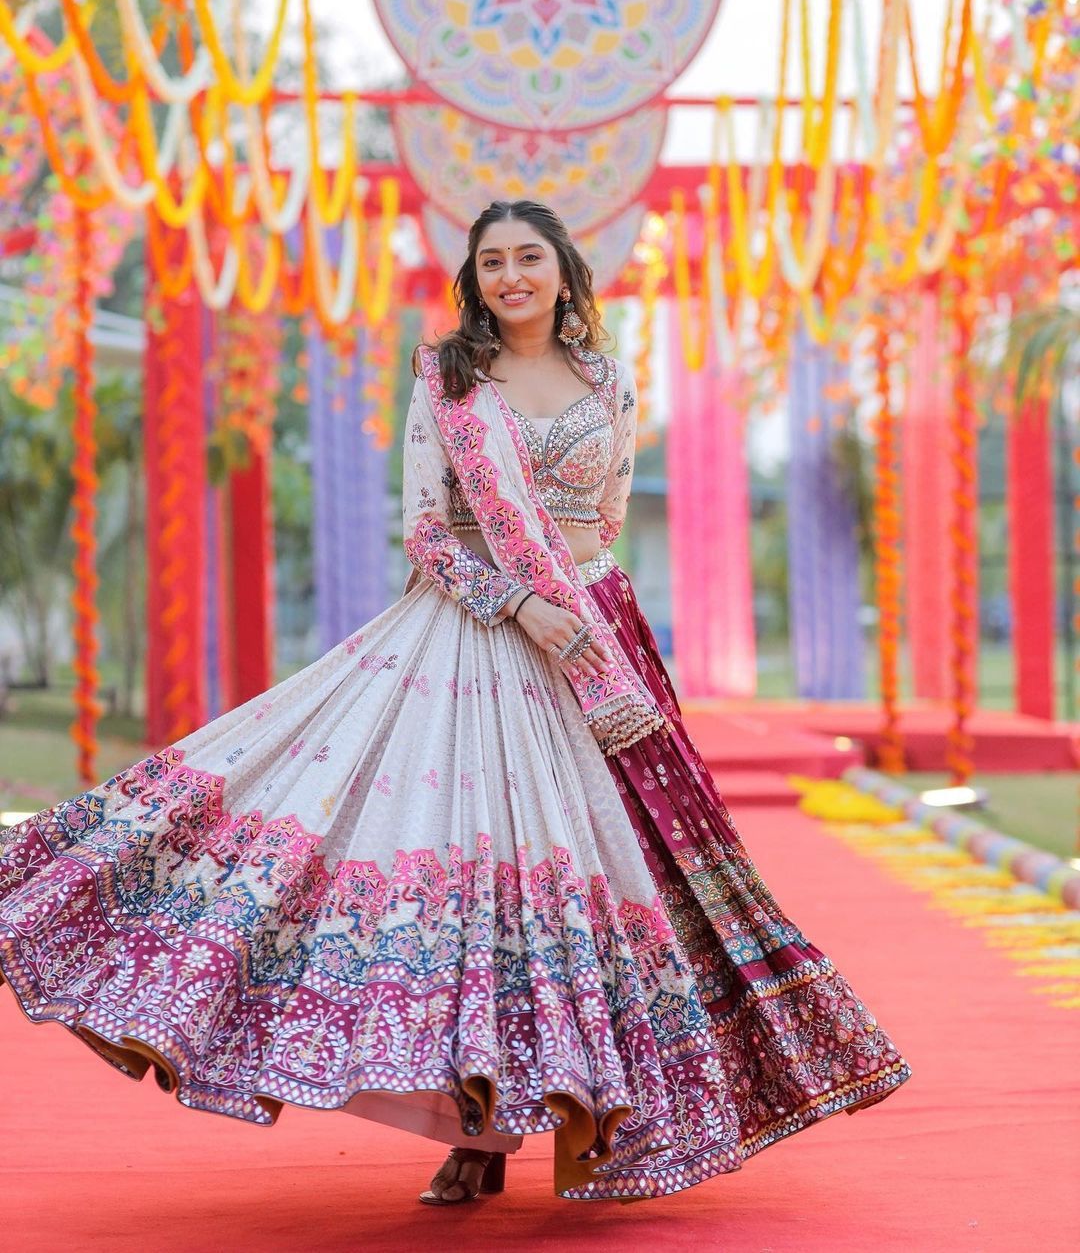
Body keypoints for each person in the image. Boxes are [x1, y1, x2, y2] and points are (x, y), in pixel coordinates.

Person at [0, 199, 910, 1208]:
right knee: (471, 882)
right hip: (478, 635)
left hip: (593, 643)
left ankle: (601, 1113)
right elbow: (428, 536)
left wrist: (584, 607)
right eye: (492, 263)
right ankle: (474, 1130)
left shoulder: (612, 378)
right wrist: (520, 598)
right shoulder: (449, 378)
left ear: (565, 271)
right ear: (472, 280)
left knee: (605, 875)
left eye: (529, 258)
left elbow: (608, 516)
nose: (511, 276)